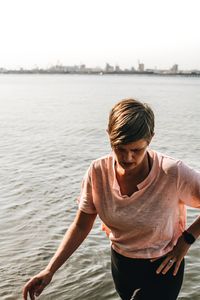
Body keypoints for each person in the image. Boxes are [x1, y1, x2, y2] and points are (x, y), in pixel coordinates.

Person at [23, 98, 200, 300]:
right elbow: (81, 226)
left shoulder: (172, 172)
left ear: (150, 139)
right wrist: (50, 270)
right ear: (109, 136)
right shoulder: (97, 171)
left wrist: (187, 240)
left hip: (164, 266)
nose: (127, 158)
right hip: (121, 265)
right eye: (120, 148)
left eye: (136, 150)